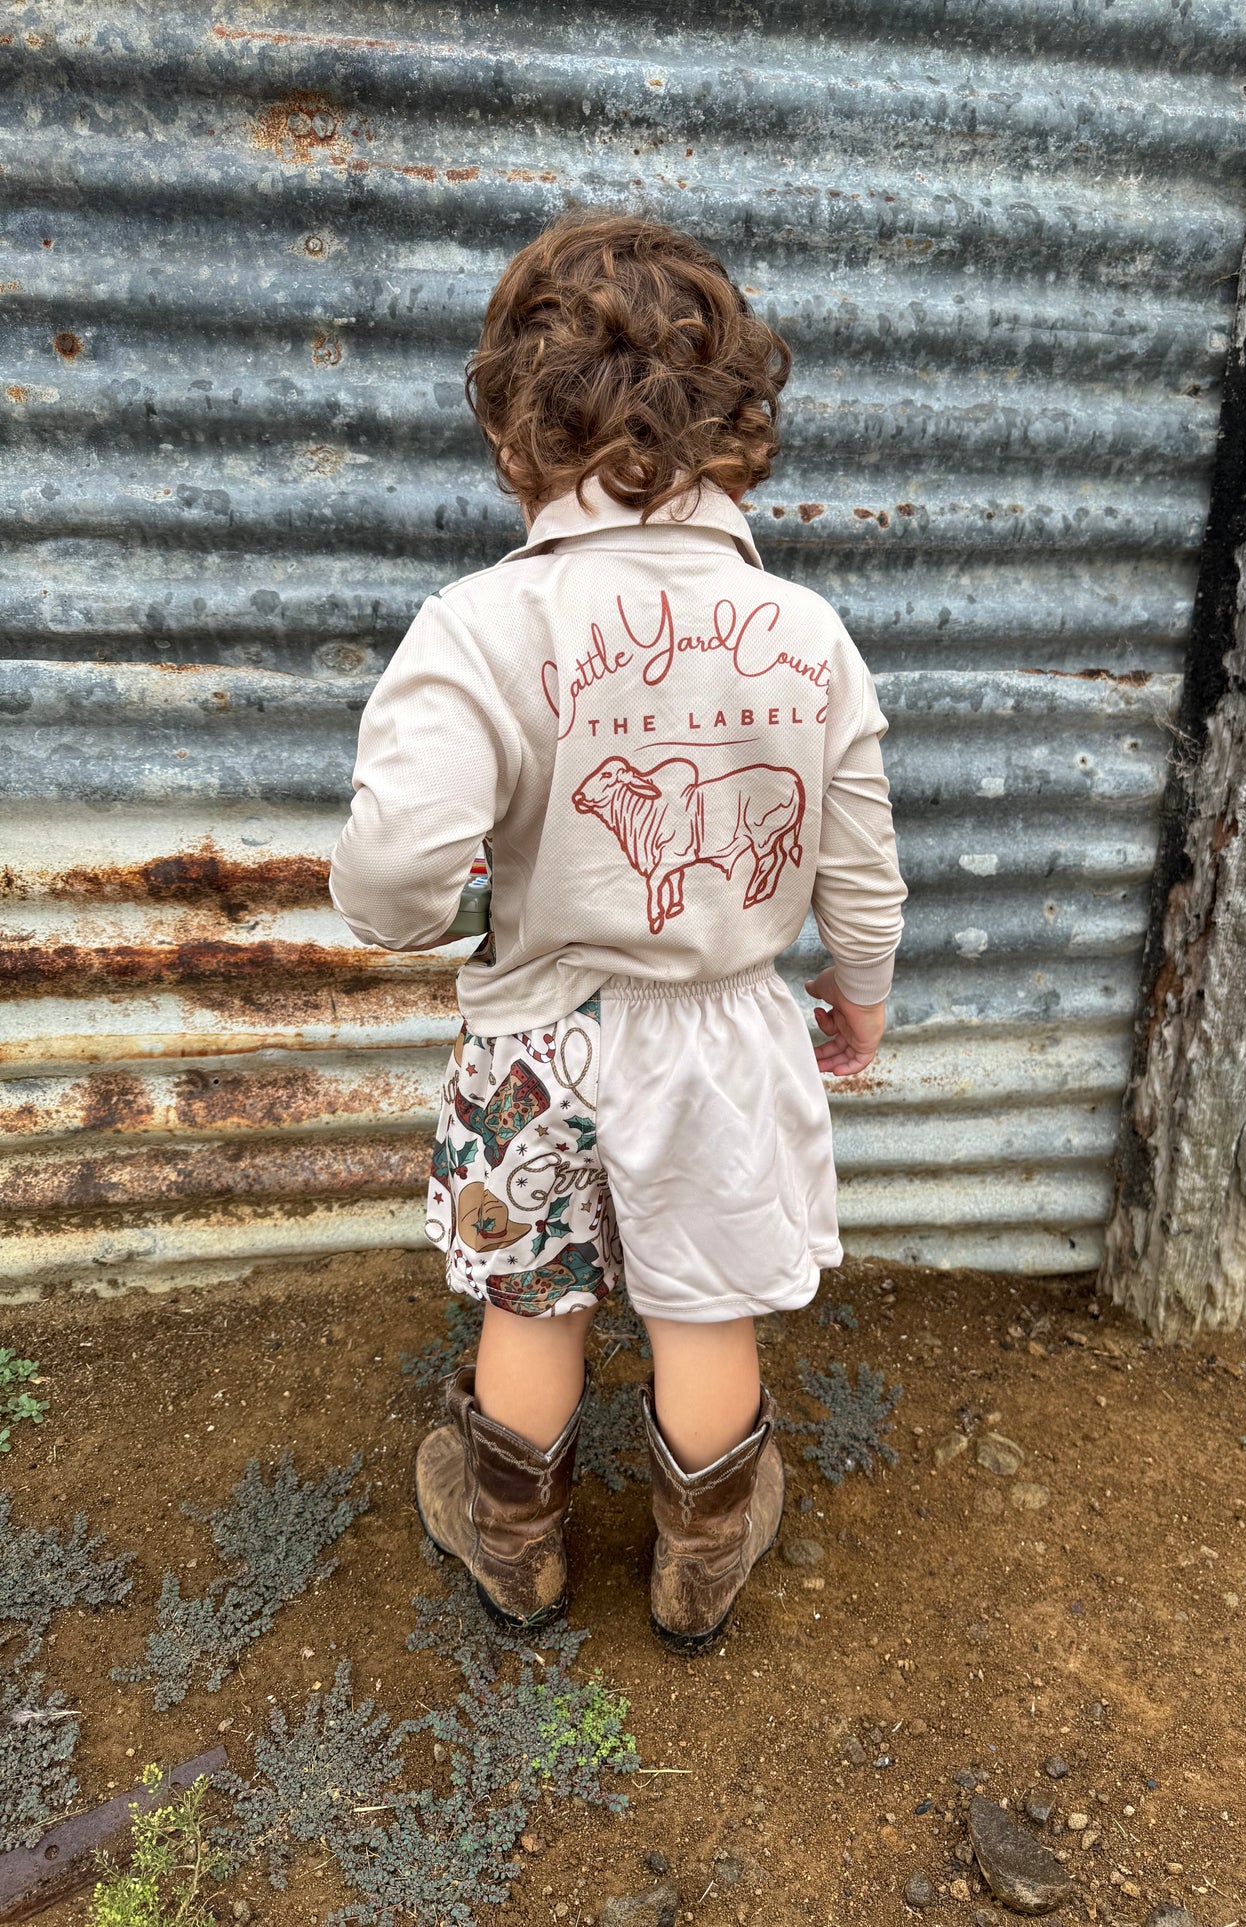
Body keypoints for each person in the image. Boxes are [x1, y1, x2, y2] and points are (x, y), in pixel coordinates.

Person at [328, 211, 906, 1653]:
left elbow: (392, 865)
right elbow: (859, 860)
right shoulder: (804, 634)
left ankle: (510, 1545)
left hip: (535, 1041)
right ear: (737, 426)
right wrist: (862, 994)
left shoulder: (474, 626)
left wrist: (444, 917)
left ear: (513, 429)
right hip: (723, 1038)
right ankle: (699, 1563)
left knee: (535, 1302)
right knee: (707, 1308)